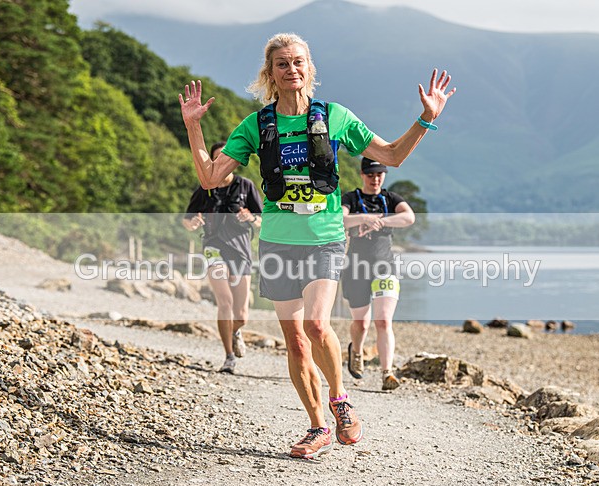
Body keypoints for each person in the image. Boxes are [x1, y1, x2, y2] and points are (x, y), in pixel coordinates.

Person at [179, 33, 454, 459]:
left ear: (310, 68)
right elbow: (211, 178)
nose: (292, 69)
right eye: (283, 64)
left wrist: (426, 118)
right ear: (270, 74)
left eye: (299, 61)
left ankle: (340, 399)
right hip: (277, 243)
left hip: (325, 239)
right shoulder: (255, 126)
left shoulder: (336, 117)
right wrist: (193, 125)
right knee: (295, 340)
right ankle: (316, 427)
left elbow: (393, 155)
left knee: (317, 326)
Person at [182, 141, 263, 375]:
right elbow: (187, 220)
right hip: (213, 248)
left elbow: (262, 220)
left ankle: (236, 331)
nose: (222, 163)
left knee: (242, 314)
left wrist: (250, 218)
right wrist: (193, 223)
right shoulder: (205, 187)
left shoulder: (246, 186)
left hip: (240, 251)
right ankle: (228, 356)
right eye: (217, 159)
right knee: (224, 301)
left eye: (227, 158)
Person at [341, 157, 415, 391]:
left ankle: (387, 372)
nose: (375, 179)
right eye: (370, 175)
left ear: (384, 176)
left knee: (383, 320)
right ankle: (356, 350)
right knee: (361, 324)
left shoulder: (391, 198)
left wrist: (382, 222)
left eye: (379, 175)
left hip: (385, 267)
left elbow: (409, 217)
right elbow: (339, 218)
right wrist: (364, 218)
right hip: (356, 267)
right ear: (362, 175)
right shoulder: (351, 198)